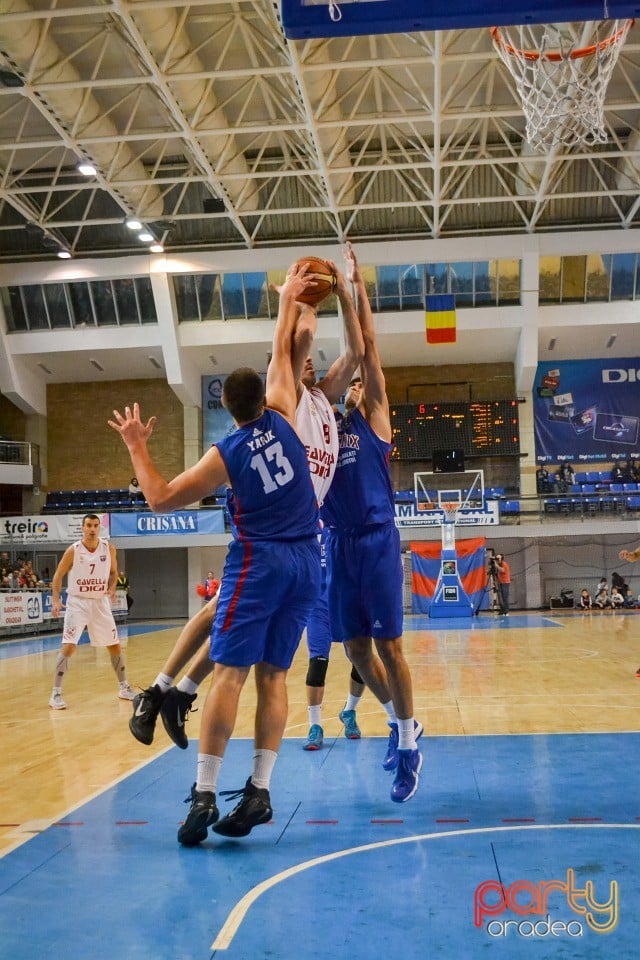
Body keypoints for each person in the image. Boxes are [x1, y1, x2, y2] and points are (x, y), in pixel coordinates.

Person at [109, 262, 322, 845]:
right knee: (275, 676)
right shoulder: (285, 409)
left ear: (227, 408)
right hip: (308, 560)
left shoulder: (225, 453)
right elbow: (286, 345)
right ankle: (259, 790)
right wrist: (297, 300)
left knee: (230, 673)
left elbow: (157, 499)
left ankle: (203, 794)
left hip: (261, 560)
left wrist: (136, 445)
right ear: (267, 395)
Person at [320, 242, 422, 804]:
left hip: (379, 541)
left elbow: (368, 349)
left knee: (391, 649)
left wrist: (355, 289)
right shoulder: (324, 427)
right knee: (356, 651)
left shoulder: (375, 418)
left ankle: (409, 743)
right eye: (351, 385)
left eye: (360, 383)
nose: (356, 387)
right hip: (338, 545)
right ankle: (393, 719)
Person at [48, 514, 135, 708]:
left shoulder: (109, 548)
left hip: (99, 602)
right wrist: (55, 599)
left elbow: (113, 573)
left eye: (96, 525)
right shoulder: (74, 550)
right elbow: (58, 575)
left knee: (114, 645)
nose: (92, 529)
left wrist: (112, 588)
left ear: (99, 528)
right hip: (77, 602)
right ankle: (56, 693)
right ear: (82, 528)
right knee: (69, 646)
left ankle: (124, 687)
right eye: (89, 525)